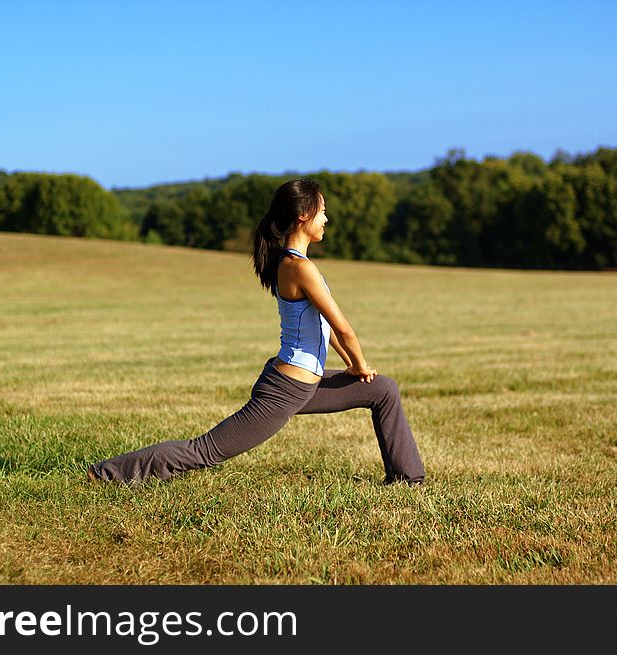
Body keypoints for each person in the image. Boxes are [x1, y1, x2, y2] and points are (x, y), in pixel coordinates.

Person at [87, 178, 425, 485]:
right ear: (303, 216)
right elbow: (344, 328)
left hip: (305, 383)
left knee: (382, 390)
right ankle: (106, 473)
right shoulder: (298, 267)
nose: (327, 219)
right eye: (323, 211)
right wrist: (360, 362)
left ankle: (407, 479)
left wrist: (353, 367)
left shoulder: (297, 265)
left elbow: (325, 327)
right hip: (287, 389)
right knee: (204, 451)